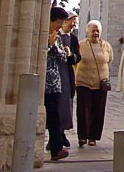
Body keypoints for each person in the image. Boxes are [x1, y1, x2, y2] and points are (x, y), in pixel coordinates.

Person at [75, 20, 114, 147]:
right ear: (88, 31)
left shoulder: (106, 46)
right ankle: (82, 136)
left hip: (100, 83)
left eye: (97, 30)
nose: (95, 33)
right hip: (83, 82)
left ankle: (93, 136)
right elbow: (74, 62)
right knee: (83, 110)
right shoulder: (81, 45)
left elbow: (109, 60)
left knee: (98, 110)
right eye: (93, 30)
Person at [45, 6, 70, 161]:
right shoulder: (41, 35)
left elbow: (63, 58)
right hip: (41, 83)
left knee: (54, 116)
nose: (60, 26)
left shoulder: (58, 38)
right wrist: (48, 44)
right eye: (59, 22)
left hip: (54, 84)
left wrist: (54, 45)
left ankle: (56, 149)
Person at [57, 10, 80, 147]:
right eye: (73, 21)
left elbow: (78, 56)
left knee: (66, 104)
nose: (74, 24)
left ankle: (62, 133)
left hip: (67, 74)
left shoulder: (73, 39)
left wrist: (71, 55)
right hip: (55, 74)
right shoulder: (55, 35)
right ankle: (55, 135)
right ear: (65, 21)